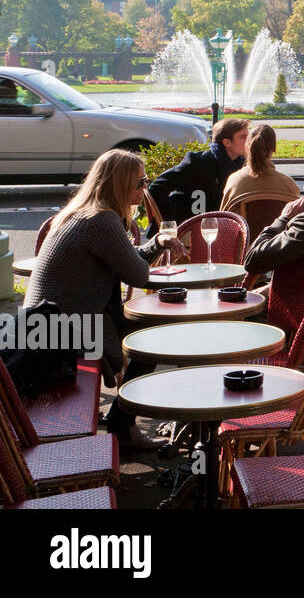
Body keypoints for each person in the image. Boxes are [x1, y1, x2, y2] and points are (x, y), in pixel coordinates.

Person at [24, 149, 184, 451]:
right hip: (62, 334)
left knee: (147, 332)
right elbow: (137, 275)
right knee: (153, 338)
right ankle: (122, 427)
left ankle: (121, 422)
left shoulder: (81, 212)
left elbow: (127, 262)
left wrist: (156, 243)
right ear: (120, 184)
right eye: (140, 182)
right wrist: (153, 251)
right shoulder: (101, 220)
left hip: (42, 326)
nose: (145, 188)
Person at [148, 117, 249, 225]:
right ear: (227, 142)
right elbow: (157, 187)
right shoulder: (197, 162)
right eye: (243, 137)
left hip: (225, 227)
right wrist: (172, 221)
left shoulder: (244, 166)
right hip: (189, 230)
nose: (249, 140)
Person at [220, 123, 299, 208]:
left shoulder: (235, 181)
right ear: (274, 148)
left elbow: (225, 217)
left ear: (247, 146)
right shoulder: (288, 184)